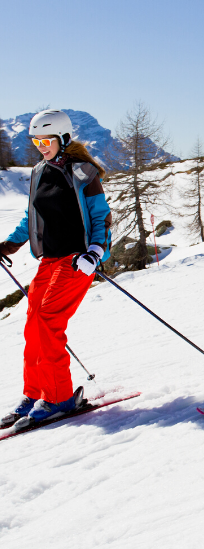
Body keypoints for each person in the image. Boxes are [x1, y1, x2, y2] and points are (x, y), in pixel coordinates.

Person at [0, 109, 112, 428]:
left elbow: (101, 215)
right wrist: (8, 244)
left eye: (46, 140)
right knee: (33, 322)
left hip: (77, 260)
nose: (40, 146)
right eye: (35, 140)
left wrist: (95, 251)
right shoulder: (39, 171)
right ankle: (35, 393)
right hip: (49, 259)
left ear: (63, 139)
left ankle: (59, 397)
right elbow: (31, 216)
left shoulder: (83, 172)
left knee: (49, 319)